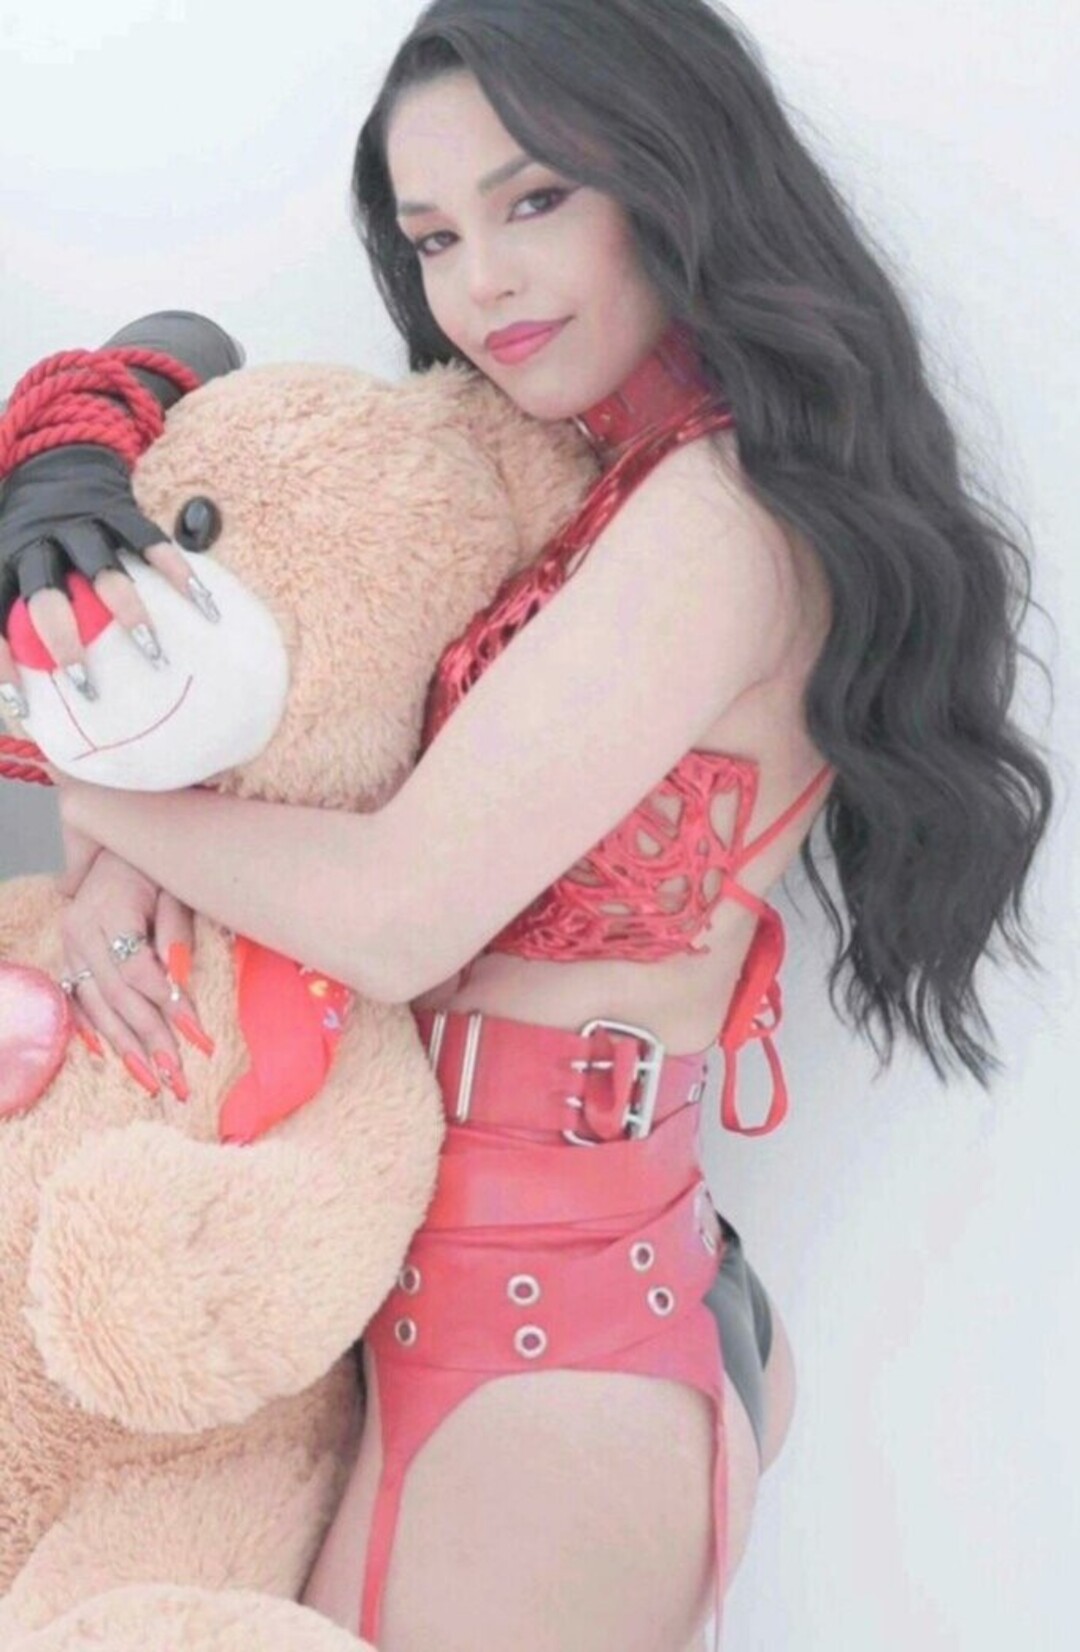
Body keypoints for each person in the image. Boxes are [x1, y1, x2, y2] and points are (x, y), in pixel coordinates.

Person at [0, 1, 1054, 1648]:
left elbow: (401, 909)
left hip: (547, 1330)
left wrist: (94, 792)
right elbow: (275, 567)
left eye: (535, 199)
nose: (480, 283)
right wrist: (127, 819)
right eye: (433, 237)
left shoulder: (719, 519)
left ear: (675, 177)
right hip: (491, 1290)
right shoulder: (588, 482)